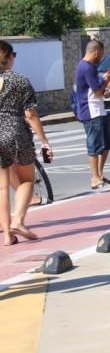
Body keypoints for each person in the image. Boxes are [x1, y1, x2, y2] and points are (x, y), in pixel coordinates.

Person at [0, 41, 51, 244]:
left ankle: (7, 236)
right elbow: (30, 114)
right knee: (27, 181)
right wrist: (44, 141)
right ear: (10, 57)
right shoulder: (20, 80)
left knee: (2, 189)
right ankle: (18, 221)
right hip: (16, 134)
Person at [75, 39, 110, 189]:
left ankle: (99, 174)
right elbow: (97, 90)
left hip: (99, 109)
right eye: (101, 54)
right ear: (96, 52)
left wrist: (103, 88)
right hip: (91, 111)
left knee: (106, 144)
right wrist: (106, 80)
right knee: (94, 145)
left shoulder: (89, 67)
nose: (101, 57)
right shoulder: (87, 68)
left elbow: (96, 90)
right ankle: (94, 177)